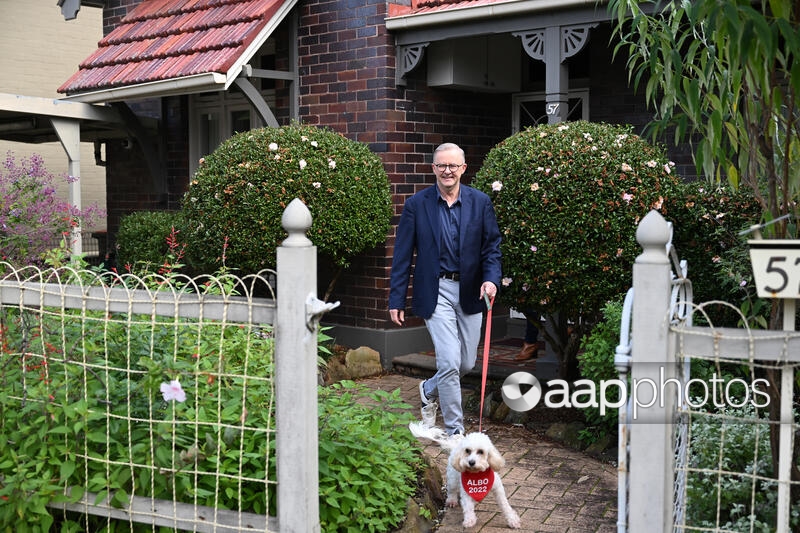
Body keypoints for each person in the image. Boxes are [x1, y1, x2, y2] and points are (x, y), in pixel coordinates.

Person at [389, 142, 502, 436]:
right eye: (442, 165)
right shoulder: (417, 204)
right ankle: (455, 433)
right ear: (433, 169)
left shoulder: (480, 203)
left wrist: (491, 279)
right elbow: (402, 255)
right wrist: (396, 299)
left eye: (453, 165)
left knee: (465, 363)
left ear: (464, 169)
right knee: (449, 361)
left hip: (471, 290)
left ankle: (429, 389)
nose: (447, 171)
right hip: (435, 289)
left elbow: (492, 248)